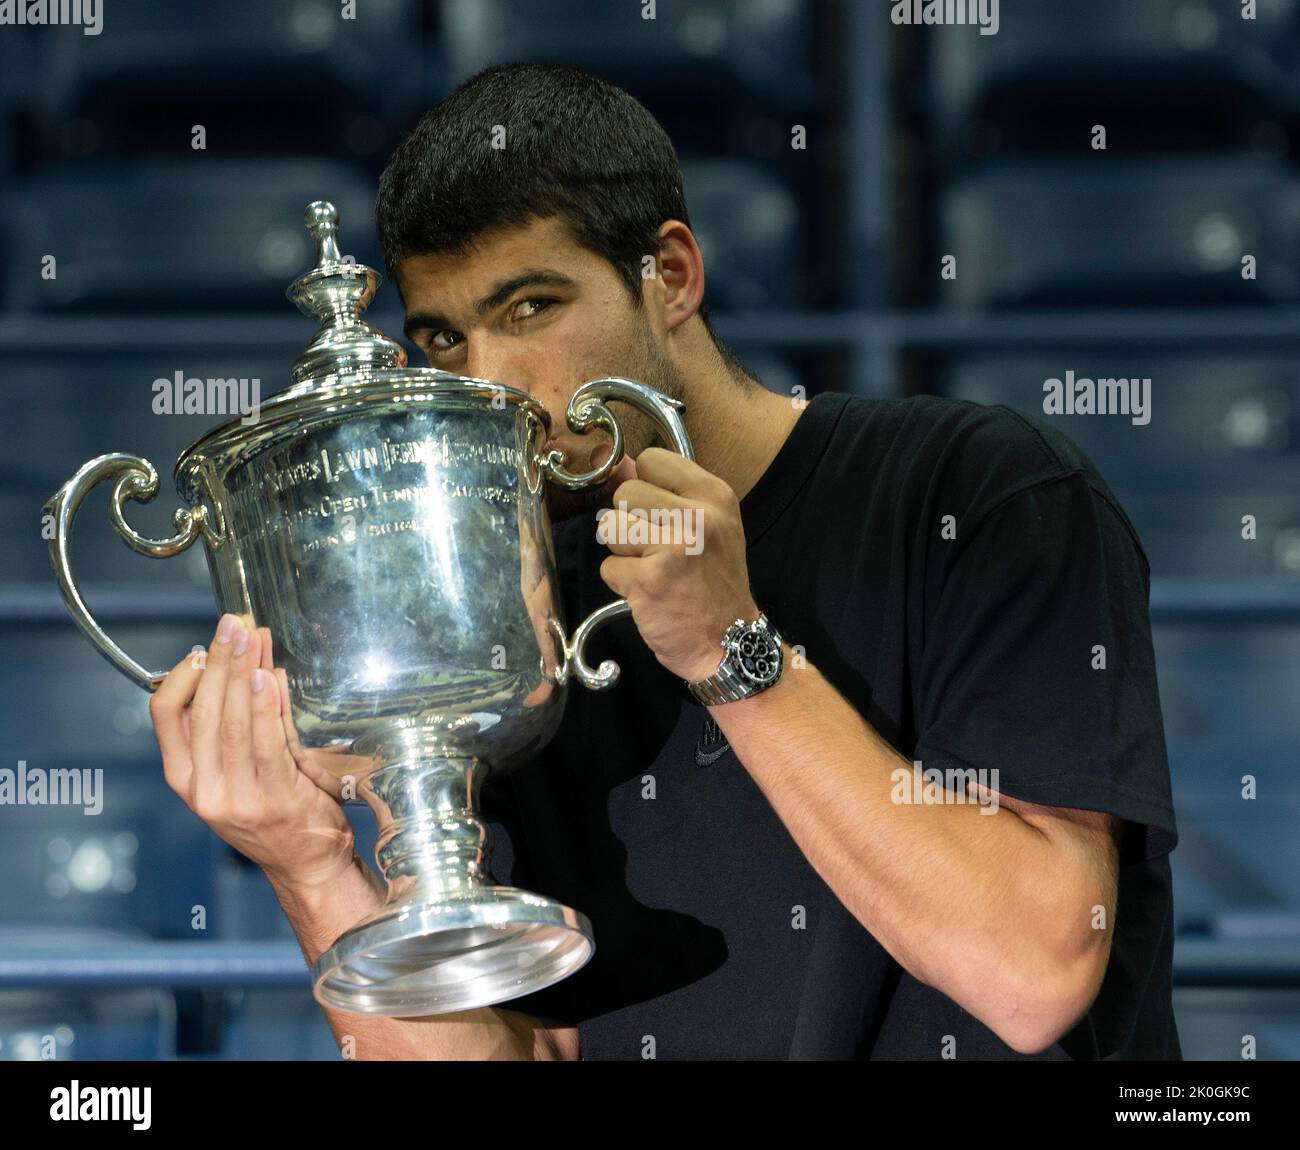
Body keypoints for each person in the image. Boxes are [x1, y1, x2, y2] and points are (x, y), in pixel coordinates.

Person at [148, 62, 1180, 1061]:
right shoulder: (505, 612)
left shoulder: (980, 489)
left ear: (671, 276)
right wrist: (312, 866)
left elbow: (1035, 972)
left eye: (529, 309)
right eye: (445, 340)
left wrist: (734, 654)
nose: (492, 382)